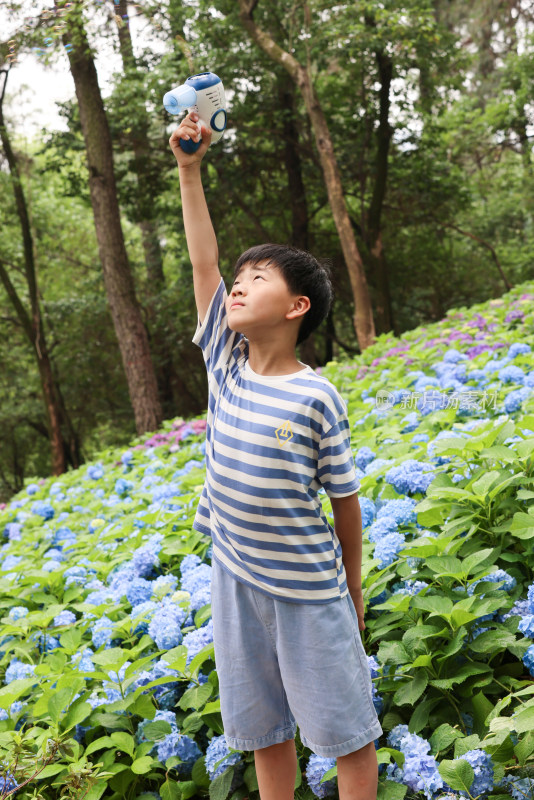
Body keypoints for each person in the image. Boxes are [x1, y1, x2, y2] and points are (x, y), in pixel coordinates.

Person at [169, 111, 383, 800]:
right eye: (239, 277)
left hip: (309, 593)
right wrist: (189, 170)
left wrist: (351, 590)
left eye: (256, 278)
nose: (237, 283)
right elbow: (203, 259)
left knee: (347, 734)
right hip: (235, 578)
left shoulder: (317, 397)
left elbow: (344, 503)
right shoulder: (225, 367)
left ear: (296, 307)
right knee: (263, 731)